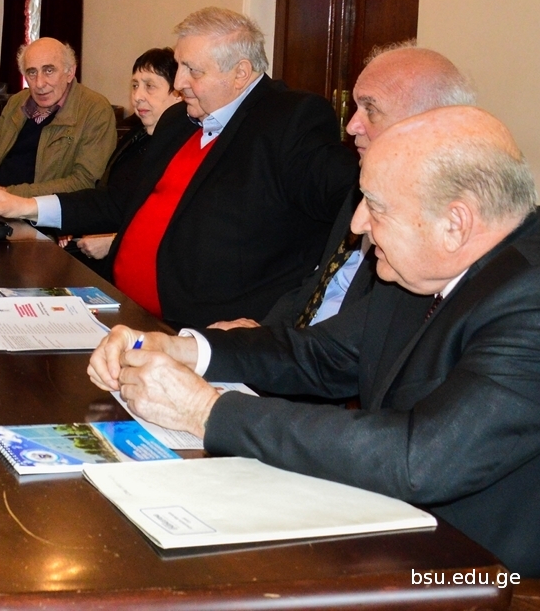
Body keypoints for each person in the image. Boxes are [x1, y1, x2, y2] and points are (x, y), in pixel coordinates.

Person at [87, 106, 540, 576]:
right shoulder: (420, 266)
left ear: (455, 225)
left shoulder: (530, 298)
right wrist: (184, 349)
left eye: (376, 206)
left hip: (481, 574)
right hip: (392, 531)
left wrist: (205, 411)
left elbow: (421, 458)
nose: (357, 224)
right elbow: (319, 355)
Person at [0, 8, 356, 328]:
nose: (179, 82)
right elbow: (117, 203)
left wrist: (281, 321)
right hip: (118, 305)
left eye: (193, 70)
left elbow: (352, 209)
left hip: (200, 330)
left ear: (240, 73)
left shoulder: (288, 120)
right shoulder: (179, 121)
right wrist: (23, 206)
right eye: (179, 66)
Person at [213, 41, 476, 330]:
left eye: (370, 109)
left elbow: (357, 342)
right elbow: (315, 286)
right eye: (356, 107)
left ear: (423, 122)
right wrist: (260, 333)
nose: (351, 126)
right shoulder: (364, 184)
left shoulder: (434, 226)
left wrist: (265, 347)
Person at [72, 47, 183, 271]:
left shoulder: (182, 150)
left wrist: (114, 241)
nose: (137, 96)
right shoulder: (136, 134)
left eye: (149, 86)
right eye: (134, 85)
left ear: (178, 93)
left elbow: (169, 226)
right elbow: (109, 197)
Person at [0, 37, 117, 198]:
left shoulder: (95, 110)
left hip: (35, 207)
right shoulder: (17, 102)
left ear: (70, 72)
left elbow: (84, 181)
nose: (39, 84)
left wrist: (7, 194)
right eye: (32, 72)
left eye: (49, 71)